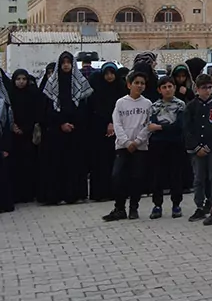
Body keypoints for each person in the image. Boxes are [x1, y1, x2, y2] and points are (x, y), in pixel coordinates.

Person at [40, 51, 92, 205]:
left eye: (69, 62)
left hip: (76, 132)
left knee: (75, 163)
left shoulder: (80, 83)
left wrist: (74, 123)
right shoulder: (52, 84)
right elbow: (47, 109)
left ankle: (74, 194)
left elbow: (85, 108)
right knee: (57, 164)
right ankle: (57, 195)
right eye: (63, 62)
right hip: (56, 133)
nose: (66, 65)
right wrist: (61, 124)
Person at [103, 71, 151, 222]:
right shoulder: (121, 103)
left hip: (140, 147)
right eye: (136, 83)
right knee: (117, 177)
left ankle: (133, 208)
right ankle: (119, 208)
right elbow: (117, 124)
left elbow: (148, 126)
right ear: (129, 84)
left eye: (142, 83)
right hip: (123, 147)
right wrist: (126, 142)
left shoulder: (148, 104)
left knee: (136, 178)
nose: (139, 86)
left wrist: (137, 141)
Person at [183, 73, 212, 221]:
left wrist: (209, 146)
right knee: (198, 178)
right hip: (196, 150)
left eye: (209, 88)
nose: (207, 91)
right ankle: (199, 206)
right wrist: (196, 147)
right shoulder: (191, 107)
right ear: (197, 88)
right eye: (204, 88)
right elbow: (187, 129)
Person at [148, 76, 188, 219]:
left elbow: (179, 127)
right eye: (164, 87)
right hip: (158, 145)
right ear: (159, 90)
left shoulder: (181, 105)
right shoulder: (154, 106)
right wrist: (163, 128)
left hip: (175, 144)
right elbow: (150, 126)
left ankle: (176, 205)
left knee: (175, 175)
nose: (167, 89)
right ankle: (157, 205)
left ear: (174, 88)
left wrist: (159, 127)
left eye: (170, 86)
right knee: (157, 175)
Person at [86, 62, 124, 203]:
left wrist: (113, 123)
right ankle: (100, 193)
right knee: (100, 162)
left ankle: (115, 191)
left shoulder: (120, 89)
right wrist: (105, 123)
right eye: (107, 73)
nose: (109, 76)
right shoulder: (97, 89)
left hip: (117, 130)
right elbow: (94, 109)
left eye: (112, 73)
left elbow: (121, 109)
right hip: (99, 131)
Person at [5, 69, 44, 204]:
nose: (21, 82)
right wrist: (13, 126)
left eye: (24, 79)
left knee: (29, 165)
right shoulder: (10, 95)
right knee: (15, 166)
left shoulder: (33, 94)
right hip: (14, 136)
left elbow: (36, 114)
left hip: (29, 136)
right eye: (18, 79)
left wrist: (26, 128)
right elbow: (7, 113)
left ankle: (29, 193)